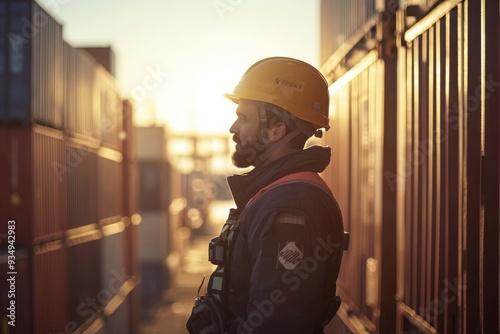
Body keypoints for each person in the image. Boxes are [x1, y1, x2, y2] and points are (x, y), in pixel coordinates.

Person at [188, 57, 345, 334]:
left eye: (244, 117)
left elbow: (279, 323)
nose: (233, 128)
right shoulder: (277, 192)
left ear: (276, 130)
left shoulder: (291, 205)